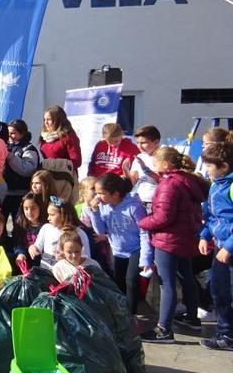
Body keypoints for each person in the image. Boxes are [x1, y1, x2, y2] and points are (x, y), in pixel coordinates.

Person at [138, 147, 208, 343]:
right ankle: (192, 318)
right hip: (185, 237)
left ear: (166, 164)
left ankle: (164, 330)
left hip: (168, 240)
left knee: (166, 283)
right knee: (187, 276)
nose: (154, 165)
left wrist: (143, 222)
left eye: (156, 162)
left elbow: (163, 217)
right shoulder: (187, 180)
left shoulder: (169, 184)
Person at [87, 172, 151, 315]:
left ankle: (131, 314)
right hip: (117, 250)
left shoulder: (134, 207)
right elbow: (101, 230)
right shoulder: (103, 206)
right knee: (118, 281)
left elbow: (144, 233)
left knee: (131, 280)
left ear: (115, 194)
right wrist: (95, 212)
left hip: (136, 248)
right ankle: (121, 312)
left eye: (101, 193)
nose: (97, 197)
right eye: (96, 193)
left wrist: (146, 258)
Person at [199, 142, 233, 350]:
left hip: (228, 249)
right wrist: (204, 236)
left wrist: (229, 247)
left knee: (227, 292)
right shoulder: (215, 184)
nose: (207, 170)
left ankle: (227, 334)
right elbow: (210, 216)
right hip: (219, 247)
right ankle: (225, 333)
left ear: (224, 166)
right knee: (219, 291)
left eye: (210, 166)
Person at [27, 195, 91, 270]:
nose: (48, 218)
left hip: (67, 274)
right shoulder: (46, 228)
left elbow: (86, 258)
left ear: (63, 215)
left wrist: (67, 258)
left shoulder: (79, 233)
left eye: (52, 215)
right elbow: (38, 246)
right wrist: (32, 247)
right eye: (48, 214)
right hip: (46, 272)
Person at [3, 119, 40, 221]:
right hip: (5, 193)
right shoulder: (6, 146)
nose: (10, 136)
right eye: (8, 133)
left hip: (21, 194)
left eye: (13, 133)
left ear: (22, 133)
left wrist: (10, 156)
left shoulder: (29, 148)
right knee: (1, 222)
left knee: (19, 224)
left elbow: (27, 169)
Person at [129, 125, 162, 213]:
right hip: (138, 201)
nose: (139, 146)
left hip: (156, 202)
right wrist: (125, 171)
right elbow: (133, 181)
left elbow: (164, 180)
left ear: (156, 142)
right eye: (137, 142)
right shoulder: (139, 157)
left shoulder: (164, 157)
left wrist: (145, 169)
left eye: (143, 143)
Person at [39, 105, 82, 170]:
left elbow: (76, 161)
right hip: (47, 174)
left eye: (49, 119)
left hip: (63, 177)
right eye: (44, 119)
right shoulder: (44, 136)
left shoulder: (68, 136)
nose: (46, 122)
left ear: (58, 120)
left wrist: (56, 164)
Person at [12, 193, 47, 267]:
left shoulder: (46, 225)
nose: (29, 212)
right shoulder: (20, 224)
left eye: (33, 208)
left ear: (40, 208)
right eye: (26, 208)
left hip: (43, 259)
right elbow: (17, 242)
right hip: (26, 257)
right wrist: (20, 253)